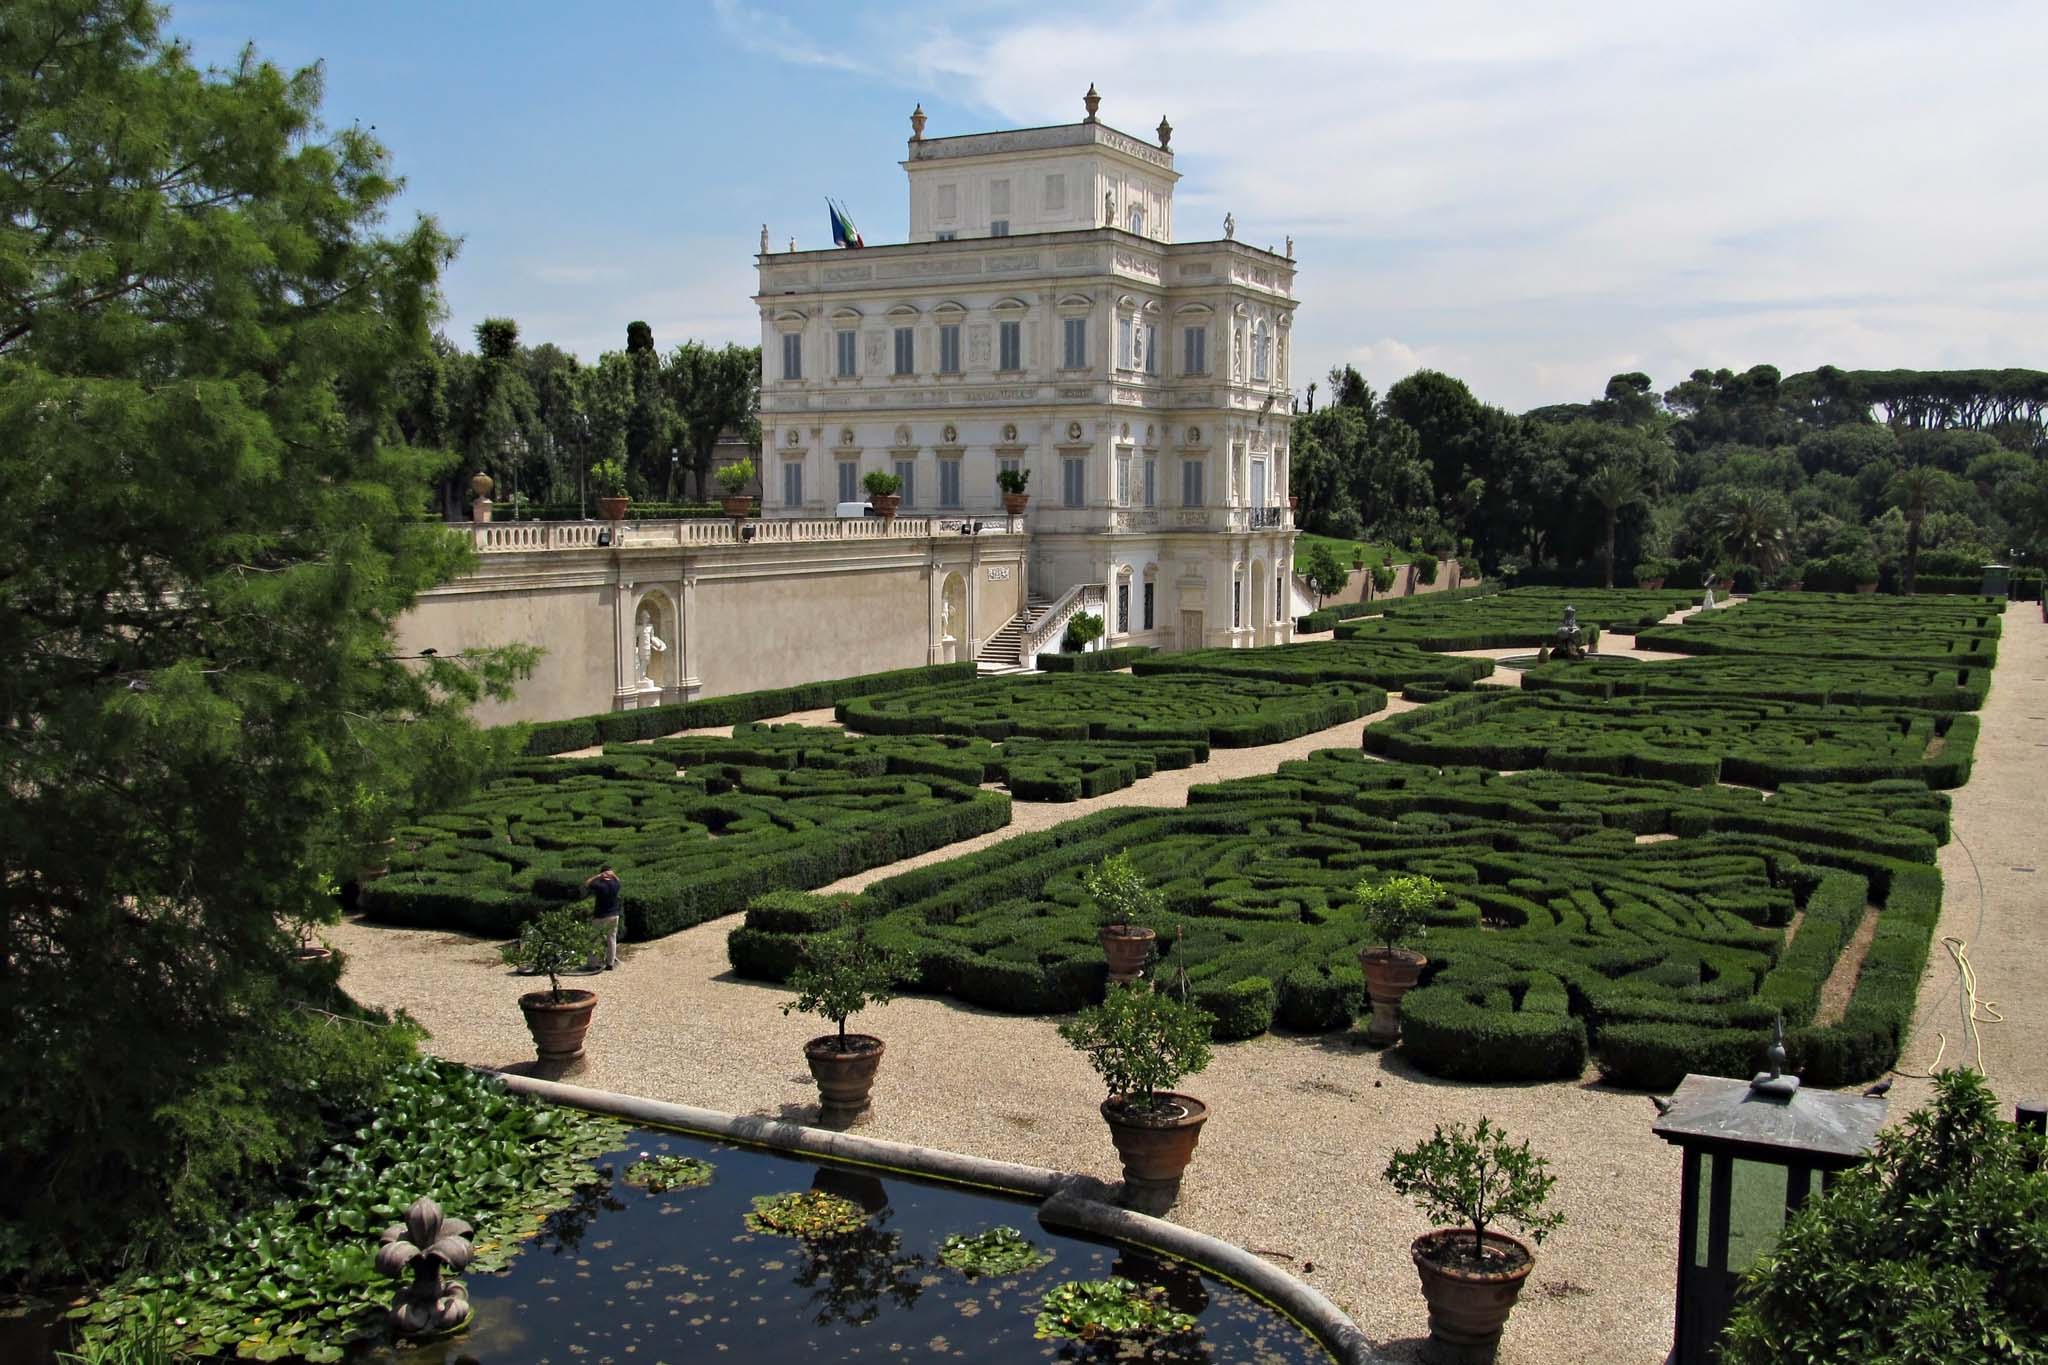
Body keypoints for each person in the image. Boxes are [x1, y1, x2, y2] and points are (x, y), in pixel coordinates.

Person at [583, 865, 622, 970]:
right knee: (612, 939)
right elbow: (619, 880)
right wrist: (613, 875)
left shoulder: (600, 885)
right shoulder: (616, 884)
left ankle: (593, 963)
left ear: (603, 873)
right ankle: (610, 964)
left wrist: (598, 876)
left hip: (600, 916)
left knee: (595, 939)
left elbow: (587, 883)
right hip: (614, 915)